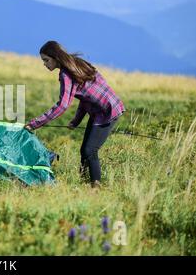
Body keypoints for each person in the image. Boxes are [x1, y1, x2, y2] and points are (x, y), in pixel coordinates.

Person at [24, 41, 125, 188]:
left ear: (55, 57)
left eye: (46, 60)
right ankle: (84, 182)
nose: (45, 64)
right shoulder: (76, 63)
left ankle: (96, 187)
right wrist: (76, 121)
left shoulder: (66, 74)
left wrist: (34, 124)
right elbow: (85, 98)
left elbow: (63, 105)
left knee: (90, 150)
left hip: (107, 112)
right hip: (102, 110)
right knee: (85, 150)